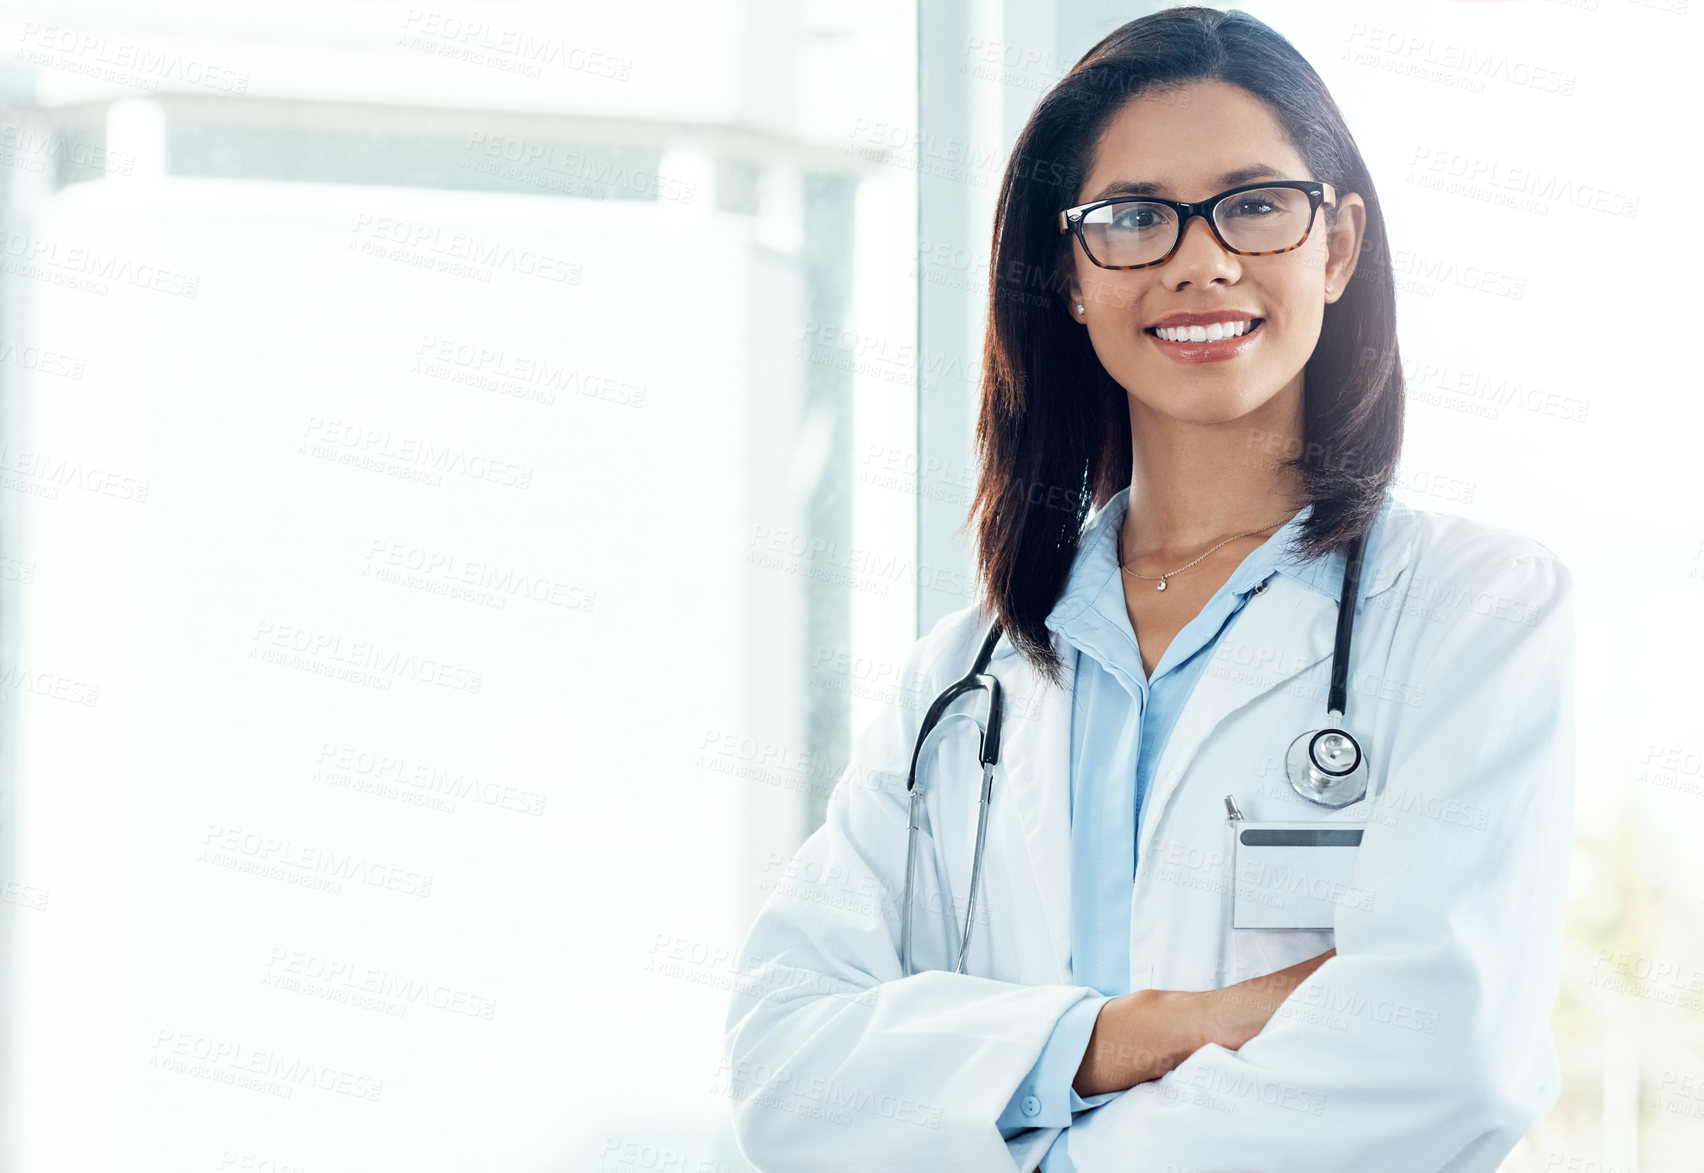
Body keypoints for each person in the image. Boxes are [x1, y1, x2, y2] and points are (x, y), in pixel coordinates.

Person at [722, 8, 1574, 1171]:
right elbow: (786, 1066)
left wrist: (1017, 1122)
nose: (1200, 259)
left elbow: (1441, 1055)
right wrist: (1139, 1033)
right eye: (1132, 218)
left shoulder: (1474, 610)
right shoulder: (963, 676)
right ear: (1071, 275)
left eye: (1256, 204)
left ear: (1338, 245)